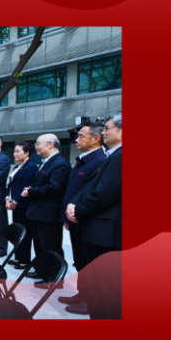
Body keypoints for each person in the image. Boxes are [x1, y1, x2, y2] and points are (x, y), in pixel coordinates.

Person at [66, 113, 122, 319]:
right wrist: (73, 203)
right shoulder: (112, 156)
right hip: (97, 231)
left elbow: (103, 193)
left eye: (107, 128)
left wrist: (77, 210)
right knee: (99, 289)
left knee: (107, 292)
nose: (104, 132)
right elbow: (88, 187)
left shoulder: (121, 156)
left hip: (105, 234)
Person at [57, 122, 107, 315]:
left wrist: (76, 213)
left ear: (95, 139)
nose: (76, 140)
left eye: (81, 136)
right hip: (75, 218)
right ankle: (82, 293)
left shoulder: (100, 160)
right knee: (79, 260)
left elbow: (92, 193)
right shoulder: (84, 159)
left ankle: (89, 299)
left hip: (85, 219)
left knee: (88, 263)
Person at [21, 133, 70, 285]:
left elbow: (55, 187)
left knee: (50, 246)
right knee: (40, 245)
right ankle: (42, 270)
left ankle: (53, 278)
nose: (35, 147)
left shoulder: (60, 163)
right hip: (38, 212)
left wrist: (32, 191)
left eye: (38, 143)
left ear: (50, 144)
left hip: (49, 213)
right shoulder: (46, 162)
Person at [6, 141, 37, 270]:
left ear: (27, 153)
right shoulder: (17, 167)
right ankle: (18, 257)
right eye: (14, 151)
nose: (15, 154)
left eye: (18, 151)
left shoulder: (31, 167)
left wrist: (15, 202)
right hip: (15, 205)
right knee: (17, 233)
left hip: (24, 206)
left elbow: (25, 187)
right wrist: (7, 199)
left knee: (25, 234)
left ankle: (24, 260)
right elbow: (10, 185)